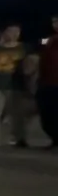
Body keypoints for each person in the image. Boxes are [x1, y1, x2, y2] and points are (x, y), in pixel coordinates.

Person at [39, 16, 58, 149]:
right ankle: (55, 139)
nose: (56, 24)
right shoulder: (49, 40)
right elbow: (40, 44)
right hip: (47, 82)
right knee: (48, 114)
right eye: (54, 22)